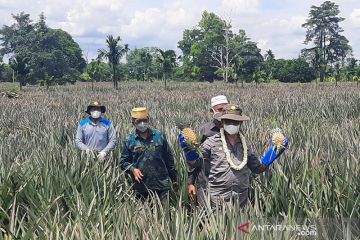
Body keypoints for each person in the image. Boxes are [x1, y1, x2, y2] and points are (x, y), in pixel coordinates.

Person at [186, 104, 288, 208]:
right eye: (228, 121)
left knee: (240, 224)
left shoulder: (245, 145)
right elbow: (196, 163)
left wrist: (274, 152)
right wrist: (189, 152)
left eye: (235, 121)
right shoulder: (211, 143)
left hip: (241, 198)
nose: (231, 124)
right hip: (218, 198)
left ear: (240, 123)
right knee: (218, 223)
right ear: (223, 122)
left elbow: (257, 168)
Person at [120, 107, 177, 206]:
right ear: (133, 122)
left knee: (165, 216)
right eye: (139, 121)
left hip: (162, 183)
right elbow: (123, 162)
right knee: (145, 217)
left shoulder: (159, 135)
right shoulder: (129, 140)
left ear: (148, 119)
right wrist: (132, 169)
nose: (142, 123)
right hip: (142, 186)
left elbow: (169, 158)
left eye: (144, 120)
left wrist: (174, 179)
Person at [187, 95, 228, 206]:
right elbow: (196, 158)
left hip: (227, 183)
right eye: (220, 110)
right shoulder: (204, 131)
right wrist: (191, 182)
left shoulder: (234, 128)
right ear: (212, 111)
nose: (223, 112)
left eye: (225, 109)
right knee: (206, 215)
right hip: (206, 181)